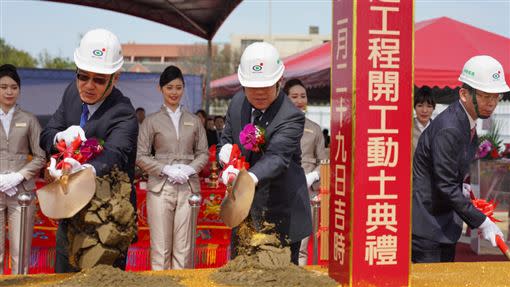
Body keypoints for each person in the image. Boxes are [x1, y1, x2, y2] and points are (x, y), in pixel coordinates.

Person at [39, 28, 139, 272]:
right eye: (83, 76)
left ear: (116, 78)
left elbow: (114, 155)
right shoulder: (72, 93)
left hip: (106, 221)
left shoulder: (124, 114)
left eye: (99, 79)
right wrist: (59, 138)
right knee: (63, 276)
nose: (88, 86)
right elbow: (47, 133)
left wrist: (83, 168)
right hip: (69, 211)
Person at [217, 42, 312, 265]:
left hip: (280, 213)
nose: (259, 93)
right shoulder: (237, 103)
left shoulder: (291, 116)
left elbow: (277, 158)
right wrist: (226, 157)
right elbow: (227, 137)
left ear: (279, 81)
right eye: (252, 87)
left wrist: (246, 179)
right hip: (244, 212)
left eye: (266, 86)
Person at [412, 55, 508, 263]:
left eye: (495, 97)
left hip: (443, 223)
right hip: (430, 226)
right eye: (484, 96)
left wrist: (463, 188)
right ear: (464, 94)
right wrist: (481, 221)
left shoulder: (467, 123)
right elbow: (445, 185)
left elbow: (452, 177)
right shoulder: (450, 128)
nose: (491, 103)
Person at [136, 65, 208, 270]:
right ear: (160, 89)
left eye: (178, 87)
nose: (174, 92)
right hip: (160, 187)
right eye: (169, 88)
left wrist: (189, 169)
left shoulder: (194, 121)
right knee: (161, 248)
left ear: (183, 88)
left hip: (188, 188)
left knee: (184, 249)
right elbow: (140, 156)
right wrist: (166, 169)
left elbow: (203, 153)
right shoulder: (150, 121)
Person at [0, 64, 46, 274]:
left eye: (14, 87)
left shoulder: (29, 119)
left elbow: (40, 156)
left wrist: (18, 176)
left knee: (21, 251)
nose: (9, 92)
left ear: (19, 90)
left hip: (22, 194)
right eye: (3, 87)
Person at [283, 78, 327, 266]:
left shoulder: (315, 129)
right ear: (285, 98)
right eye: (294, 96)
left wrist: (314, 176)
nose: (300, 100)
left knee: (301, 244)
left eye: (303, 96)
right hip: (282, 190)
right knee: (281, 242)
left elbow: (323, 160)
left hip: (307, 192)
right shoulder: (278, 126)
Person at [413, 86, 435, 153]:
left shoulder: (439, 128)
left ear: (433, 108)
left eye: (429, 106)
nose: (424, 110)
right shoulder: (405, 128)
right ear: (414, 107)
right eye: (420, 105)